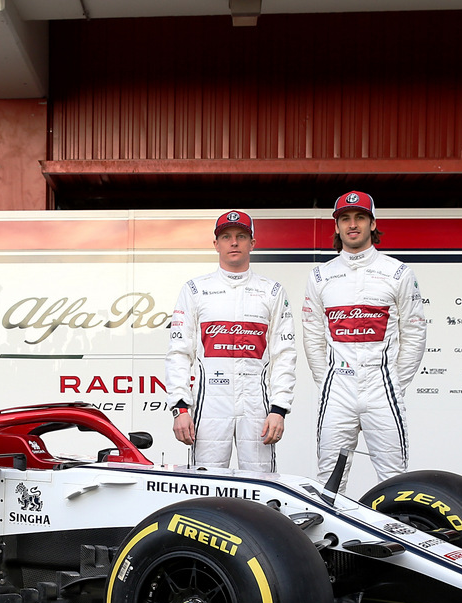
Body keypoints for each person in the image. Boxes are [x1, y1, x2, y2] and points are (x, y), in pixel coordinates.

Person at [302, 191, 427, 491]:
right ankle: (330, 537)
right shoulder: (320, 276)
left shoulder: (397, 272)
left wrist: (394, 381)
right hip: (337, 390)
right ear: (337, 227)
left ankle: (395, 537)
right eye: (345, 219)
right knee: (329, 479)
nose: (352, 225)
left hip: (381, 387)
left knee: (394, 478)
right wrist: (329, 380)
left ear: (373, 224)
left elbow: (414, 333)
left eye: (360, 218)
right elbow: (313, 336)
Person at [165, 210, 297, 472]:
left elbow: (284, 354)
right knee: (206, 486)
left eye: (241, 236)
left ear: (252, 243)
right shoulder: (195, 290)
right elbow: (179, 353)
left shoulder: (272, 291)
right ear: (216, 244)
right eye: (226, 237)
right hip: (211, 404)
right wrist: (180, 408)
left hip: (257, 408)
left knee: (261, 486)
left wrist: (279, 408)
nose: (233, 242)